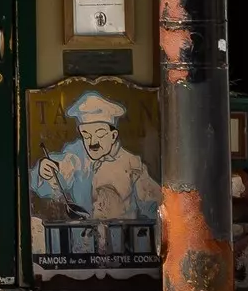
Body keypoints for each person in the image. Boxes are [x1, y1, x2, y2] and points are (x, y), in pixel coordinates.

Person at [31, 90, 162, 222]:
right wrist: (45, 170)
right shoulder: (76, 156)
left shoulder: (132, 164)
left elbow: (155, 205)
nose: (92, 142)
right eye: (86, 135)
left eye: (100, 133)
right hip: (82, 239)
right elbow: (59, 172)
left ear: (113, 136)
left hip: (121, 237)